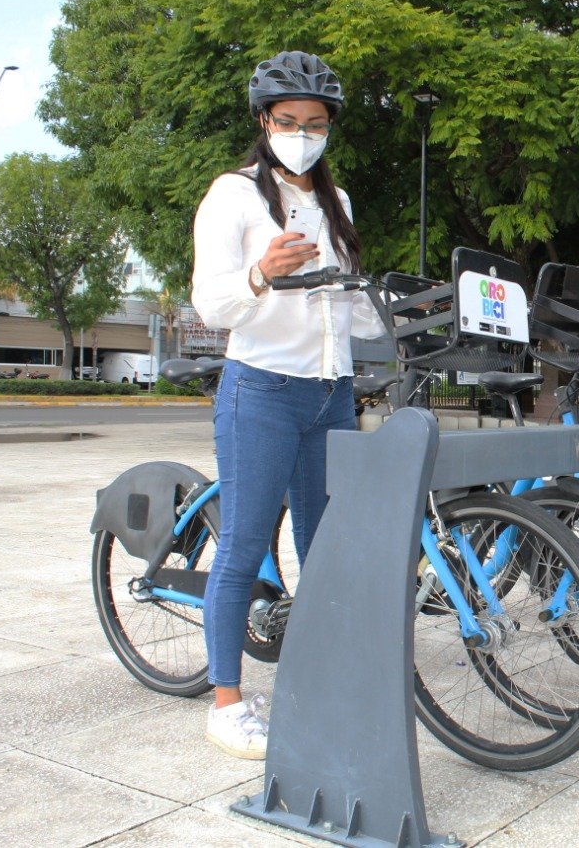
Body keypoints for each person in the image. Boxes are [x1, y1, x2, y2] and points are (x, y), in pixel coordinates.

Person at [191, 51, 384, 759]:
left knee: (324, 550)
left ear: (330, 127)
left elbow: (352, 316)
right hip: (262, 391)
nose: (302, 133)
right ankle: (226, 703)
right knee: (243, 545)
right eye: (288, 121)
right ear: (264, 121)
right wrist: (261, 272)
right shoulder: (234, 195)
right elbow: (210, 303)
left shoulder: (339, 204)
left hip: (330, 395)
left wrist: (383, 302)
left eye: (315, 123)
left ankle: (324, 683)